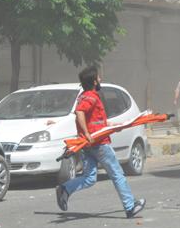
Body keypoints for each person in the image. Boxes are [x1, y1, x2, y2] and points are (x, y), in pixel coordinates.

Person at [55, 66, 145, 218]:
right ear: (94, 81)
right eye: (98, 77)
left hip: (88, 145)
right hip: (99, 144)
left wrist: (112, 126)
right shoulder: (91, 96)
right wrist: (87, 133)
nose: (100, 79)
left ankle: (65, 189)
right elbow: (80, 113)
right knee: (117, 174)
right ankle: (130, 207)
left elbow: (95, 121)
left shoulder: (83, 96)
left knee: (89, 178)